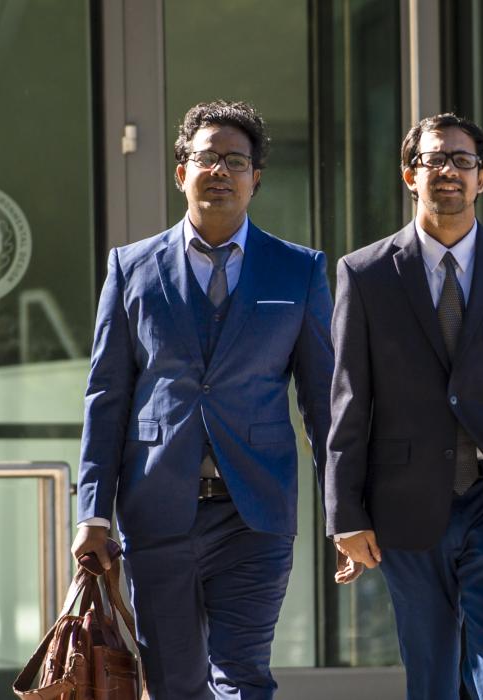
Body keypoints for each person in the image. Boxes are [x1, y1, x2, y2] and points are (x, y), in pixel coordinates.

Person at [73, 101, 332, 699]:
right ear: (179, 171)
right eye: (206, 158)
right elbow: (106, 398)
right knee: (174, 684)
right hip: (158, 508)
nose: (220, 171)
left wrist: (346, 512)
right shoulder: (131, 268)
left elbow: (322, 404)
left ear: (256, 178)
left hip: (256, 513)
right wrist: (93, 512)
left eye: (235, 161)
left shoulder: (298, 271)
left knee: (243, 677)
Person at [324, 113, 483, 699]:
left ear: (482, 179)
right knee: (432, 669)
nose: (447, 171)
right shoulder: (363, 274)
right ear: (408, 176)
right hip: (404, 504)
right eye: (434, 160)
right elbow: (348, 401)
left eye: (462, 161)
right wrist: (345, 514)